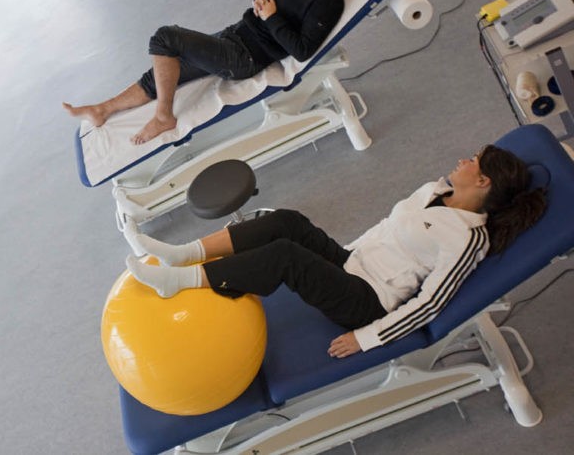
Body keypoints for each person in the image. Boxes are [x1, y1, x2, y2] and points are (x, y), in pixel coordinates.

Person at [122, 145, 546, 358]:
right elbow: (386, 229)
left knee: (285, 254)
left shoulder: (469, 238)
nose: (463, 160)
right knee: (287, 221)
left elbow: (430, 304)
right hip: (352, 262)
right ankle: (182, 254)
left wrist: (366, 338)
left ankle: (175, 282)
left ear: (485, 182)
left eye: (473, 160)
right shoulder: (437, 190)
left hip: (368, 302)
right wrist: (340, 256)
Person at [64, 0, 371, 144]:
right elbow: (274, 4)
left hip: (244, 57)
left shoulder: (328, 1)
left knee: (164, 38)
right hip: (234, 35)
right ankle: (101, 110)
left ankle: (164, 117)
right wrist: (263, 2)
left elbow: (302, 50)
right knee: (162, 70)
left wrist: (271, 16)